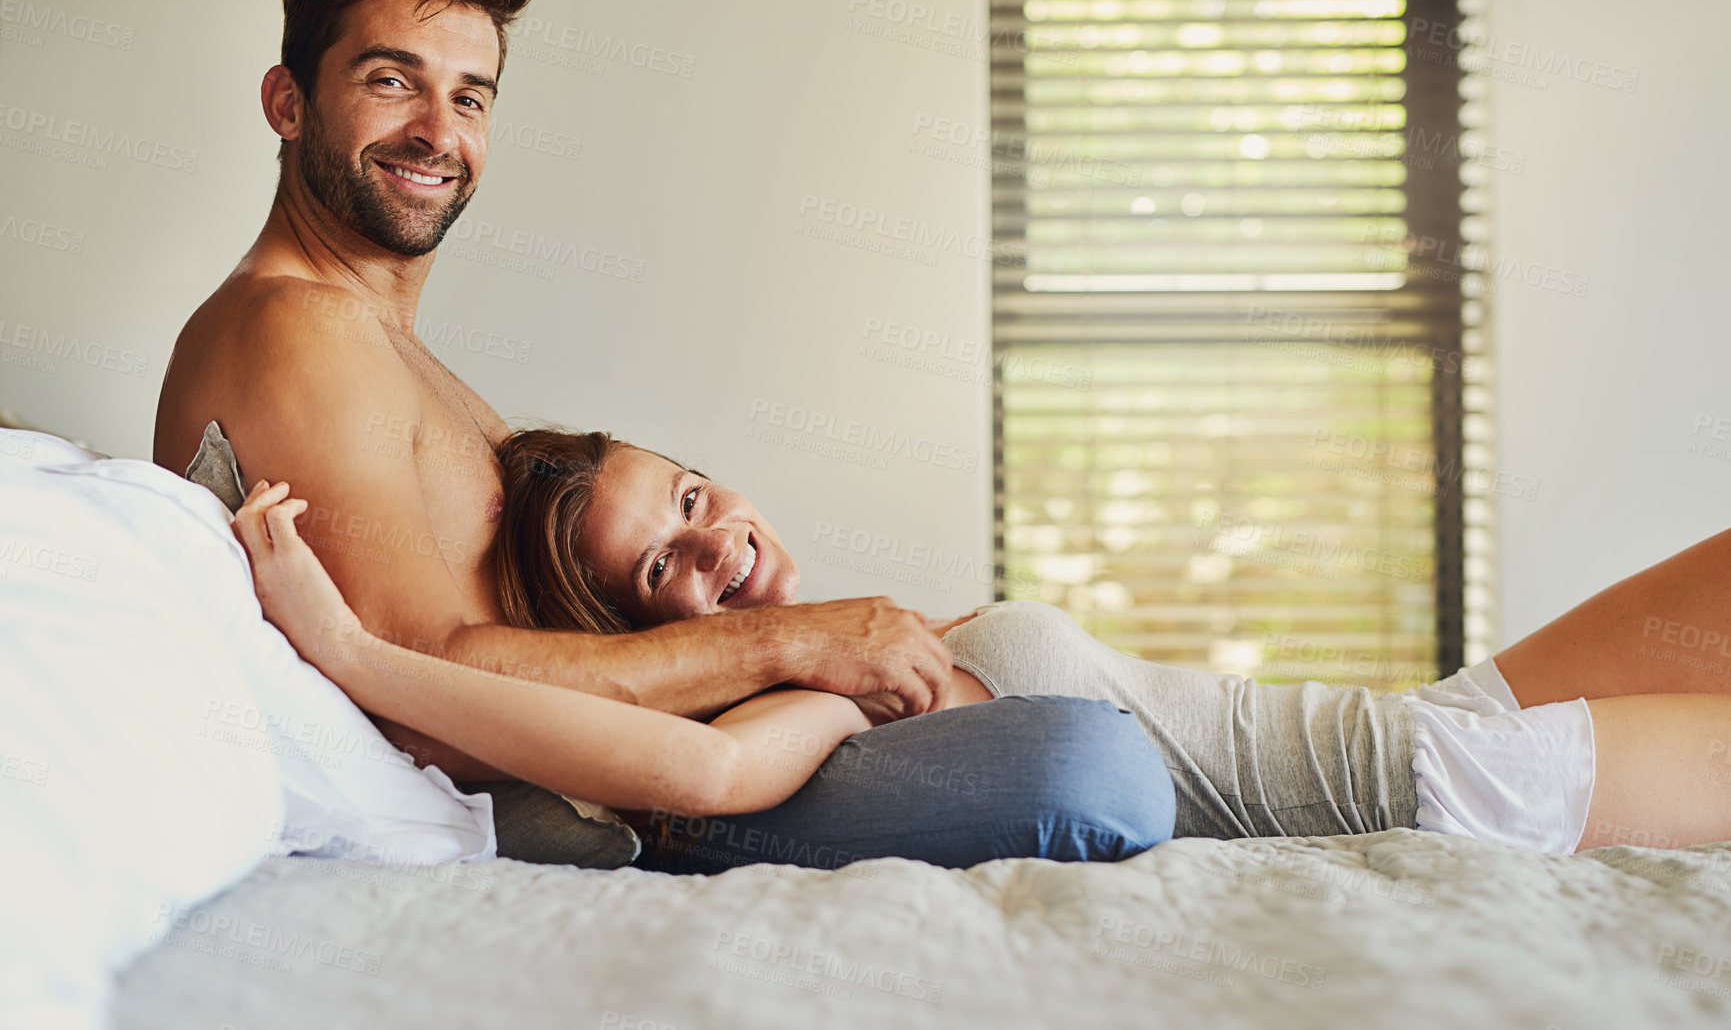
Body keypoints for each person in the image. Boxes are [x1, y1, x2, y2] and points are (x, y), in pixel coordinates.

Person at [151, 0, 975, 806]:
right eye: (391, 81)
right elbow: (425, 689)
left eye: (470, 99)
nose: (437, 133)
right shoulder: (297, 327)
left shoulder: (384, 343)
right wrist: (786, 645)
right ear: (288, 103)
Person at [238, 427, 1731, 866]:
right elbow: (684, 763)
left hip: (1424, 713)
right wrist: (350, 649)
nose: (714, 542)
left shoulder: (864, 630)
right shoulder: (797, 685)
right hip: (1447, 788)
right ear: (641, 629)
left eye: (691, 495)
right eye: (663, 566)